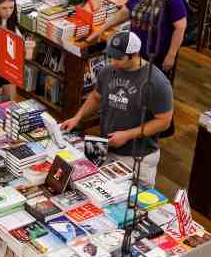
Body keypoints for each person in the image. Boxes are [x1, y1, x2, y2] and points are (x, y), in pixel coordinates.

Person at [59, 32, 174, 180]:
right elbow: (96, 96)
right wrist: (77, 117)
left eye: (118, 58)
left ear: (134, 55)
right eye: (110, 56)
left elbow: (164, 122)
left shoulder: (157, 82)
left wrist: (127, 135)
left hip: (137, 157)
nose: (113, 61)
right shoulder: (108, 70)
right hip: (104, 147)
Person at [84, 0, 188, 83]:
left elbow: (180, 27)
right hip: (134, 52)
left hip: (155, 56)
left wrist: (171, 55)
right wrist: (102, 29)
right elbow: (125, 12)